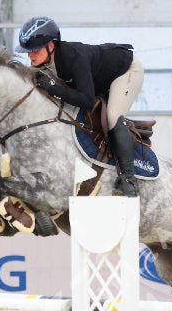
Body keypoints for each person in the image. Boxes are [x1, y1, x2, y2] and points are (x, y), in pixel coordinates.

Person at [15, 16, 144, 197]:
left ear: (51, 46)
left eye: (35, 49)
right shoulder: (41, 63)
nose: (30, 55)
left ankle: (129, 179)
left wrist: (53, 89)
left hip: (125, 71)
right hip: (99, 80)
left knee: (113, 117)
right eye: (28, 51)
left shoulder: (74, 56)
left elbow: (87, 100)